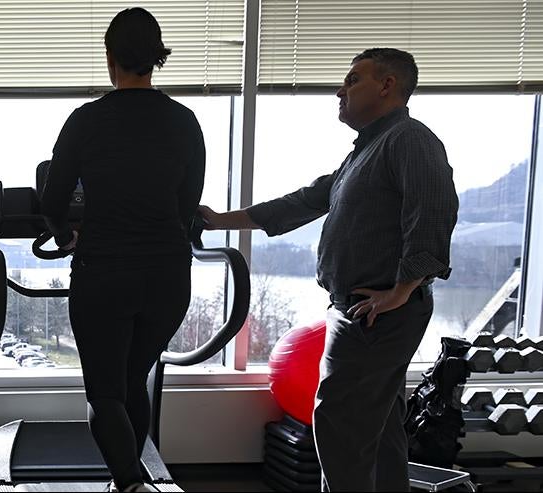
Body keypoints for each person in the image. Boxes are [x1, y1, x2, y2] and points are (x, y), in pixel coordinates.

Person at [199, 48, 457, 491]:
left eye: (353, 80)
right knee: (379, 435)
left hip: (374, 314)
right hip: (363, 310)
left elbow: (434, 210)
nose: (340, 90)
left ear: (387, 85)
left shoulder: (409, 139)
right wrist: (222, 220)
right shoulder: (366, 152)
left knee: (340, 429)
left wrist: (400, 288)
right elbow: (301, 202)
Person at [40, 7, 206, 492]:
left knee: (105, 392)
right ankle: (128, 483)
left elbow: (53, 201)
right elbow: (186, 204)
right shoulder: (185, 121)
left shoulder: (87, 120)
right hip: (168, 277)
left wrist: (69, 236)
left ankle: (131, 484)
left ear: (110, 55)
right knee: (134, 377)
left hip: (105, 273)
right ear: (157, 57)